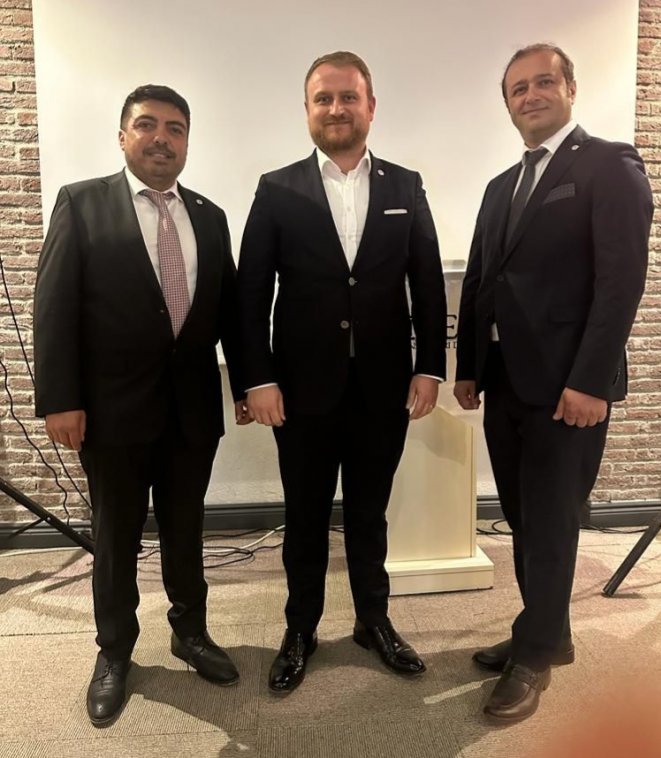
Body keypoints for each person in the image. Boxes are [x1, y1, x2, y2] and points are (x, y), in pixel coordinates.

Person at [33, 85, 250, 726]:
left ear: (187, 141)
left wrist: (246, 385)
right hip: (111, 412)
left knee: (186, 529)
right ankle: (114, 652)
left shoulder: (210, 215)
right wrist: (60, 399)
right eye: (147, 125)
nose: (162, 138)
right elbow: (55, 307)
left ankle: (191, 632)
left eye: (175, 128)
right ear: (122, 136)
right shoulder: (82, 203)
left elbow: (232, 314)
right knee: (116, 535)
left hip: (191, 411)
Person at [454, 44, 653, 723]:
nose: (530, 95)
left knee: (553, 520)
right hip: (507, 382)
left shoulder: (609, 164)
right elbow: (481, 281)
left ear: (570, 88)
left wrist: (591, 380)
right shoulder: (499, 187)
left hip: (570, 388)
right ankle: (545, 630)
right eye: (518, 88)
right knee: (521, 515)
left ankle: (535, 654)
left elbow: (621, 281)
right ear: (507, 103)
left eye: (543, 82)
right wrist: (469, 367)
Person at [237, 51, 447, 693]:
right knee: (304, 514)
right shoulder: (277, 188)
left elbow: (427, 284)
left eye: (348, 97)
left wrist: (430, 367)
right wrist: (256, 378)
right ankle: (300, 628)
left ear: (370, 107)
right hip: (301, 390)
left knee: (369, 512)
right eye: (323, 98)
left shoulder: (406, 186)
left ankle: (372, 621)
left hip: (384, 386)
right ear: (307, 110)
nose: (336, 108)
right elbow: (251, 293)